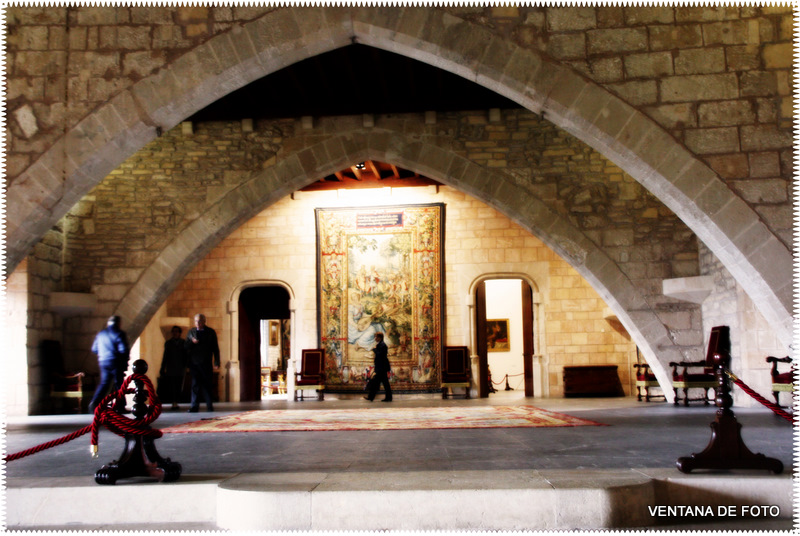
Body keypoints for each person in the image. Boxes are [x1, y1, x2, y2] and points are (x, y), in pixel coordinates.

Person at [88, 316, 130, 413]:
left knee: (104, 383)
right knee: (119, 384)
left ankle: (94, 403)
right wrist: (125, 360)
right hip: (115, 361)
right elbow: (123, 349)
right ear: (118, 323)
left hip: (103, 361)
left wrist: (104, 354)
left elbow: (94, 349)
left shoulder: (101, 334)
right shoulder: (119, 333)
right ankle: (120, 406)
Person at [185, 313, 220, 412]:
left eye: (200, 321)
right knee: (195, 385)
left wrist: (216, 362)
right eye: (196, 321)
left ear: (204, 321)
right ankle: (194, 406)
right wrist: (192, 342)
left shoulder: (210, 332)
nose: (198, 323)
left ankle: (209, 406)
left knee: (207, 385)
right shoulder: (191, 332)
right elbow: (186, 346)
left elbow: (215, 348)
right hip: (194, 363)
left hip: (206, 362)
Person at [160, 325, 187, 410]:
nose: (175, 333)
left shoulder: (183, 342)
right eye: (174, 331)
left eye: (177, 331)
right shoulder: (168, 343)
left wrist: (186, 366)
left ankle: (177, 401)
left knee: (179, 385)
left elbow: (186, 355)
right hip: (171, 367)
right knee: (172, 385)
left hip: (180, 367)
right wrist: (162, 367)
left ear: (179, 333)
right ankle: (173, 401)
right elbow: (165, 356)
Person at [364, 332, 392, 402]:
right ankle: (387, 397)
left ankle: (371, 397)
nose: (375, 338)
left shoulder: (382, 345)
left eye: (376, 337)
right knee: (382, 383)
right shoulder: (381, 344)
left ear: (380, 338)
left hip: (381, 368)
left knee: (378, 383)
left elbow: (381, 355)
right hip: (381, 367)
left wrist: (375, 350)